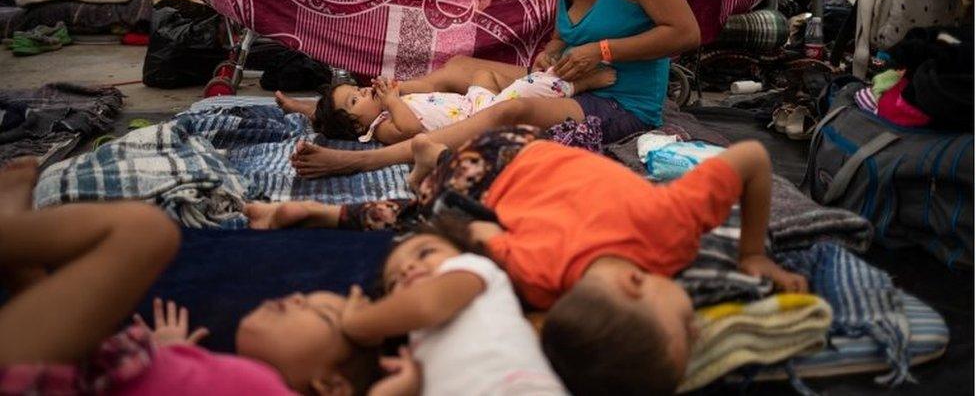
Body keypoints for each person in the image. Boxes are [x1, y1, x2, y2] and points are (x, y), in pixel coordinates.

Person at [248, 130, 807, 395]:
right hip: (502, 162)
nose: (700, 316)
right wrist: (752, 254)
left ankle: (416, 168)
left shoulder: (662, 226)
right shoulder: (667, 228)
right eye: (694, 324)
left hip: (530, 158)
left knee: (432, 220)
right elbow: (480, 233)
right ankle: (429, 156)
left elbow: (751, 156)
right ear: (637, 282)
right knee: (431, 217)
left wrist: (751, 252)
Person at [287, 0, 700, 177]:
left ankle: (362, 161)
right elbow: (565, 35)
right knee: (460, 67)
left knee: (507, 111)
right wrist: (553, 50)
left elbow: (684, 33)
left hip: (621, 103)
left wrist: (602, 50)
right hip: (570, 81)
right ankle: (339, 110)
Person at [0, 157, 380, 395]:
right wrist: (171, 356)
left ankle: (11, 227)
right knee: (63, 309)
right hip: (96, 368)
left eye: (325, 314)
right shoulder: (248, 374)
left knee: (146, 233)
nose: (299, 295)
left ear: (332, 386)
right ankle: (16, 249)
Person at [340, 227, 569, 395]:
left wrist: (356, 322)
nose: (407, 268)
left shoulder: (473, 269)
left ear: (465, 252)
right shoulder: (415, 336)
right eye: (394, 282)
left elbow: (426, 305)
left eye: (425, 252)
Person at [293, 66, 613, 145]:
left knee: (484, 74)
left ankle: (544, 92)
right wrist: (391, 99)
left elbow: (424, 94)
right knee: (524, 89)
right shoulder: (381, 129)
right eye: (355, 100)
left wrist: (393, 93)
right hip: (478, 120)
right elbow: (412, 129)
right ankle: (575, 84)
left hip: (473, 105)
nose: (364, 93)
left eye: (358, 90)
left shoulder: (388, 107)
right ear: (357, 127)